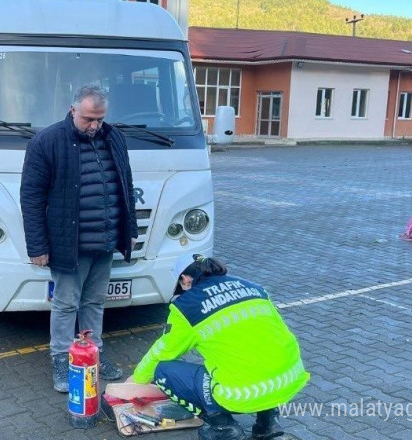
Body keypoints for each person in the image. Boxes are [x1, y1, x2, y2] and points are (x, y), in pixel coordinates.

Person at [20, 84, 138, 392]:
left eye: (99, 119)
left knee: (95, 301)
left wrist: (131, 231)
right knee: (66, 303)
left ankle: (92, 353)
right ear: (73, 111)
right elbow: (31, 197)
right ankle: (61, 358)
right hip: (68, 244)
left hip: (106, 240)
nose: (94, 126)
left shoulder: (114, 137)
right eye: (88, 119)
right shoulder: (47, 141)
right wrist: (38, 246)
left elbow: (125, 185)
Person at [129, 255, 309, 440]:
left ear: (185, 279)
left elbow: (164, 350)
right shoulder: (255, 288)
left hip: (241, 394)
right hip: (288, 379)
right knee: (260, 358)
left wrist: (138, 378)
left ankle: (224, 427)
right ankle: (268, 422)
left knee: (163, 370)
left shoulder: (187, 306)